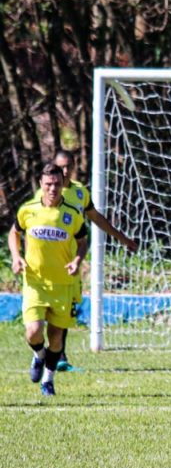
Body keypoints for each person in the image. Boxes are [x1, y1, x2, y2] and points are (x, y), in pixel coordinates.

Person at [47, 149, 139, 371]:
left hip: (72, 262)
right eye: (61, 167)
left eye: (69, 166)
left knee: (66, 310)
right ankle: (45, 354)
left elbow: (96, 218)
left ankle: (59, 358)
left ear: (75, 166)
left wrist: (124, 239)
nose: (65, 171)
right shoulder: (47, 194)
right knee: (46, 312)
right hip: (49, 261)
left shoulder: (80, 193)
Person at [8, 164, 88, 396]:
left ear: (63, 183)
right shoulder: (28, 210)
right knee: (33, 331)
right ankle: (38, 355)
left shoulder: (72, 213)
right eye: (48, 184)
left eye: (57, 184)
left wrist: (77, 260)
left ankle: (48, 381)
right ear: (41, 185)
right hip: (35, 282)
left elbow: (83, 241)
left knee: (55, 337)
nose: (53, 188)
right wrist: (16, 257)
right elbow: (15, 232)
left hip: (63, 284)